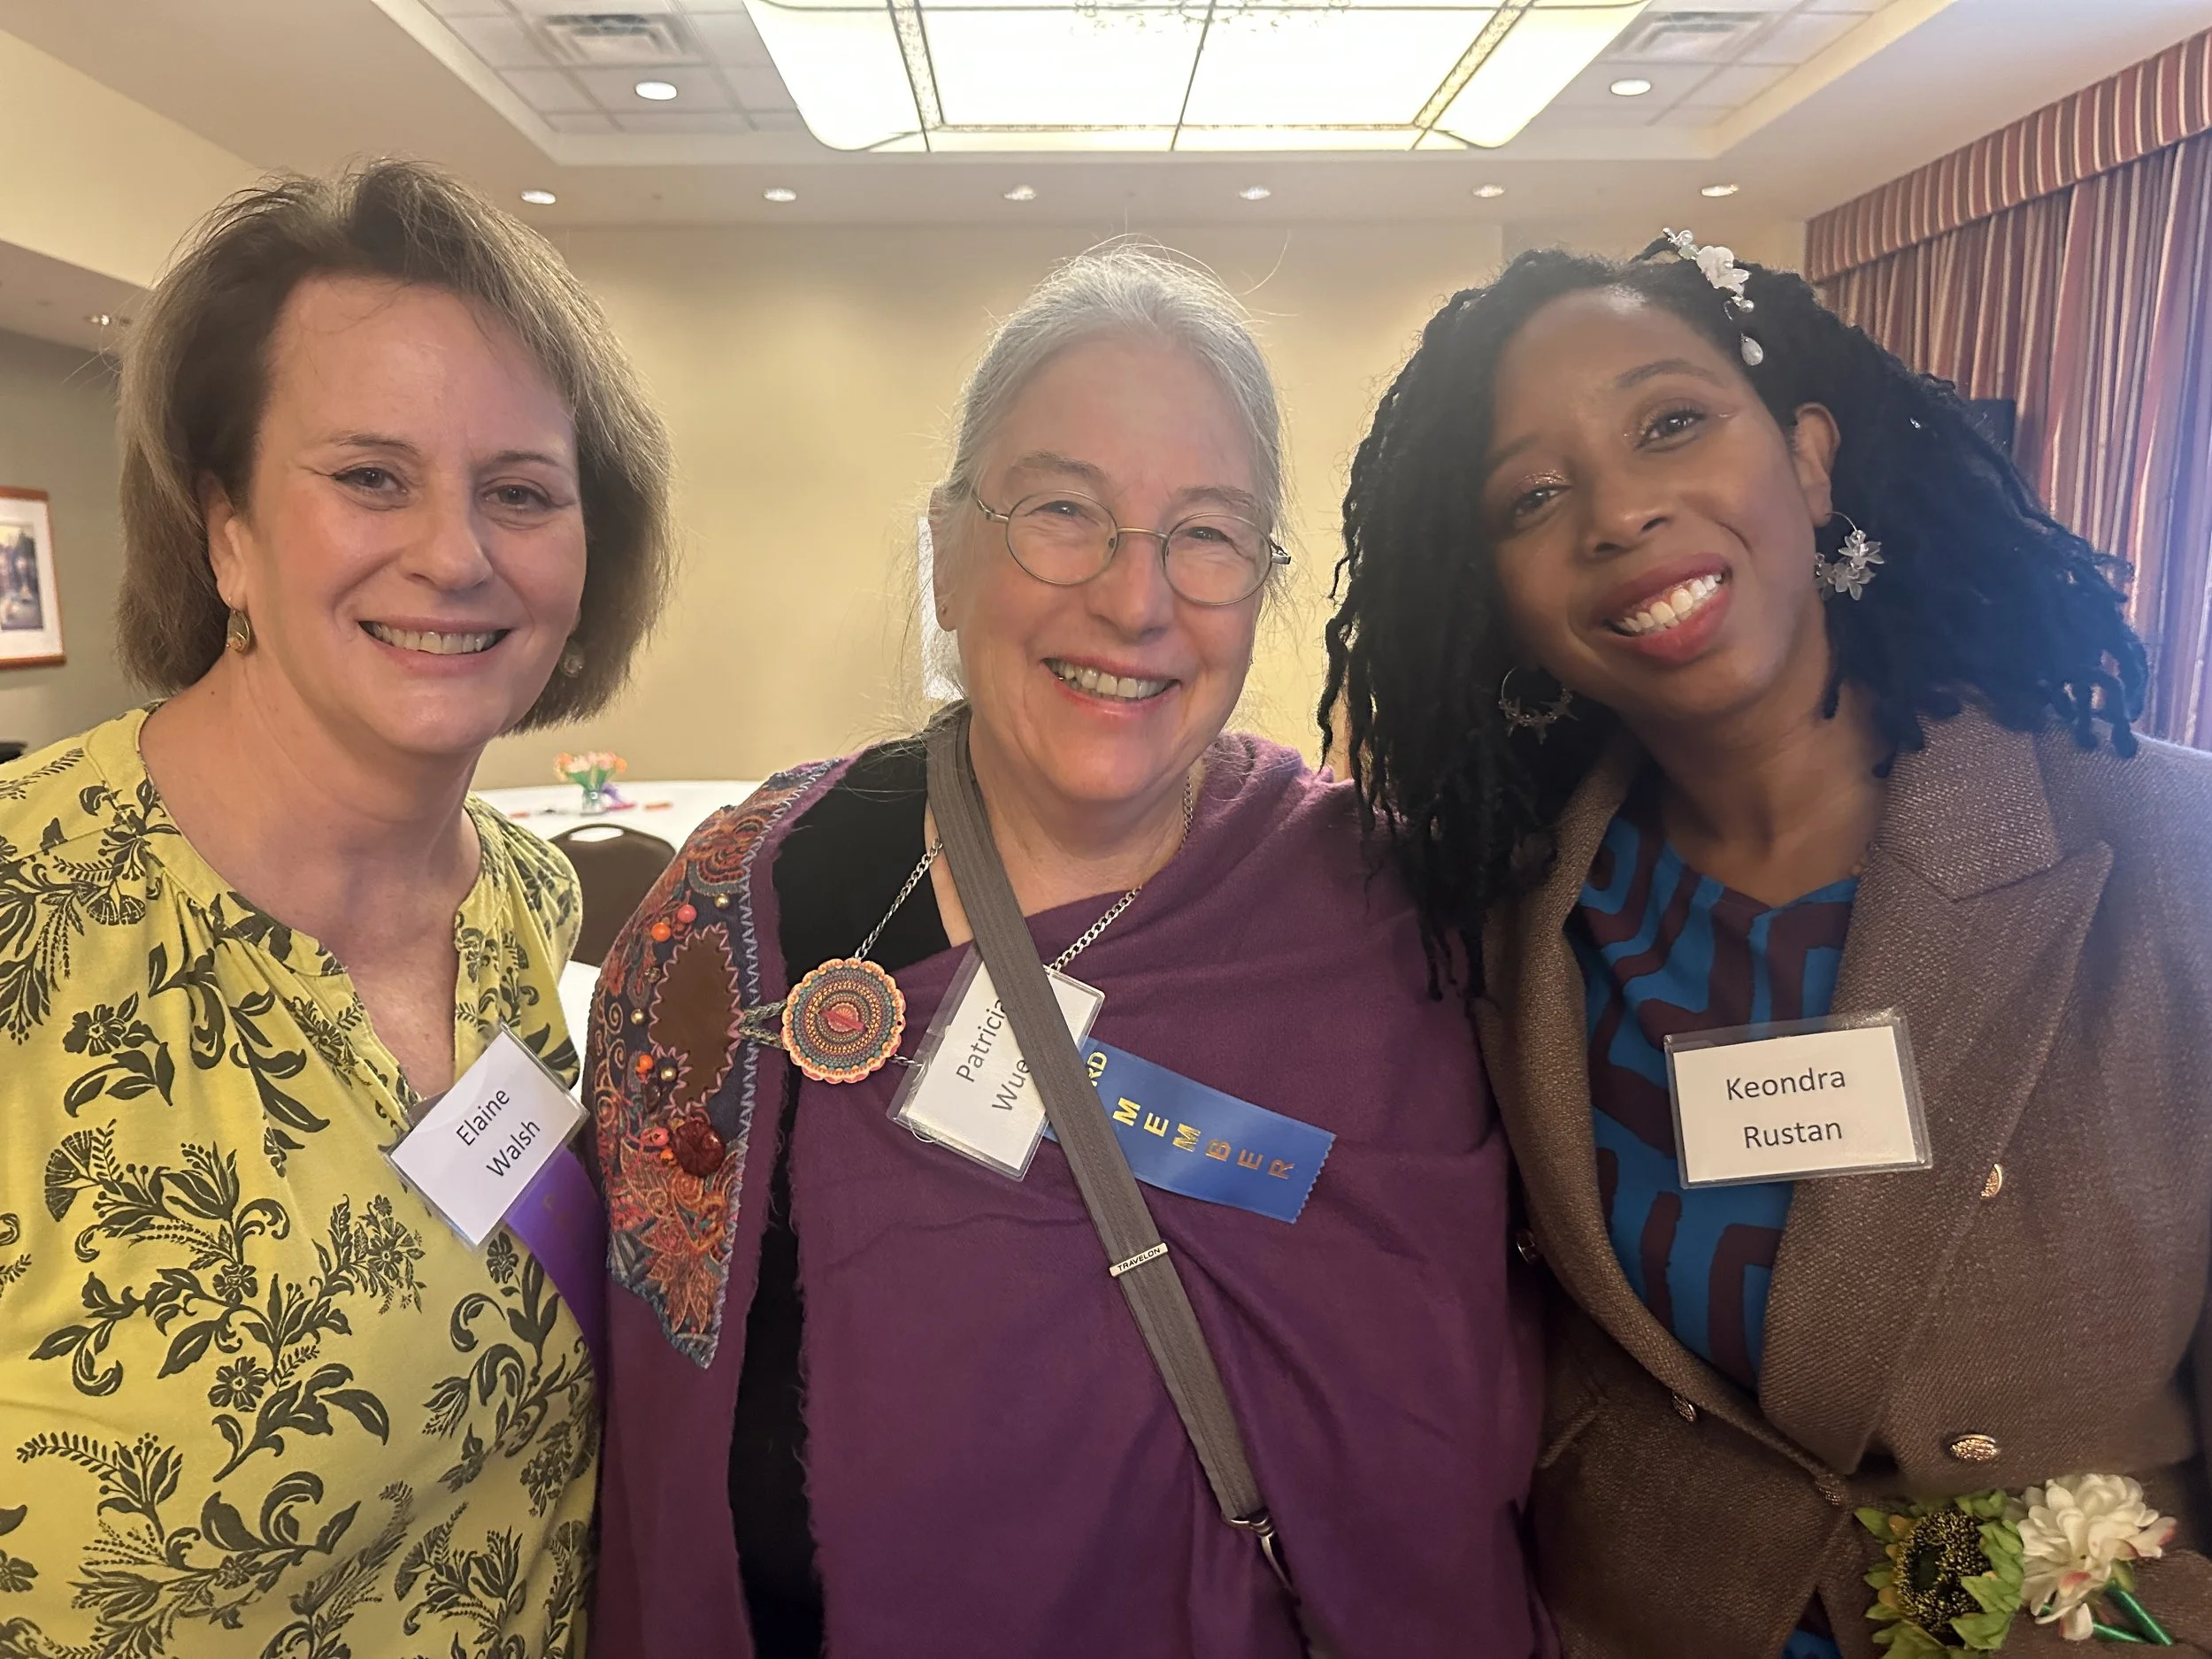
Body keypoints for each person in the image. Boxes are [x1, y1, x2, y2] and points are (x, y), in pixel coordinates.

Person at [587, 244, 1543, 1659]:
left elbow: (1448, 1420)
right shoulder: (755, 899)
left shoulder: (1395, 921)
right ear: (949, 556)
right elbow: (653, 1393)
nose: (1135, 598)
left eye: (1208, 532)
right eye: (1061, 511)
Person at [1321, 231, 2212, 1656]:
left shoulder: (2172, 851)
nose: (1616, 512)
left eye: (1671, 422)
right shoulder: (1502, 919)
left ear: (1808, 457)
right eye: (1533, 495)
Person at [0, 159, 671, 1655]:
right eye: (370, 475)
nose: (455, 552)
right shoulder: (27, 929)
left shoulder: (522, 901)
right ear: (224, 525)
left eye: (521, 491)